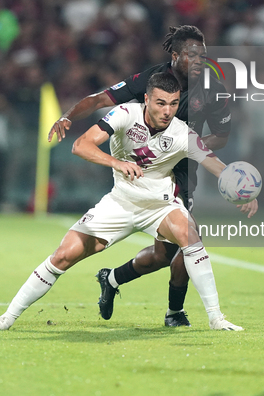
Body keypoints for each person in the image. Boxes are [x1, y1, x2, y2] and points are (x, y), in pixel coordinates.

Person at [0, 73, 251, 331]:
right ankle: (6, 318)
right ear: (146, 99)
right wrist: (117, 163)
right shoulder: (124, 114)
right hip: (119, 203)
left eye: (173, 104)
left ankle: (216, 318)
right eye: (160, 103)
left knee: (188, 234)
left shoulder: (183, 134)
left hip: (160, 206)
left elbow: (217, 167)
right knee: (63, 256)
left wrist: (243, 193)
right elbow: (81, 145)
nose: (167, 111)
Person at [48, 25, 239, 328]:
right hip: (142, 169)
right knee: (190, 240)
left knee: (166, 255)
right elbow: (99, 99)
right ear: (175, 56)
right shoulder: (151, 81)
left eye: (203, 54)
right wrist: (68, 115)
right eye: (192, 54)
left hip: (181, 168)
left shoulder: (214, 89)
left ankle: (112, 278)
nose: (200, 60)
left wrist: (183, 149)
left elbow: (222, 136)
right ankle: (175, 313)